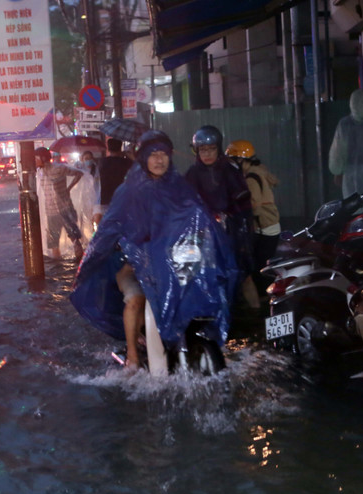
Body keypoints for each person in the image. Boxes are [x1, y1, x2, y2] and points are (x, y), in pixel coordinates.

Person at [70, 130, 238, 371]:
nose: (159, 160)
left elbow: (197, 215)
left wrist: (211, 234)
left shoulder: (180, 187)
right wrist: (98, 257)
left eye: (164, 154)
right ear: (143, 158)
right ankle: (133, 357)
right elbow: (110, 227)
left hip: (171, 262)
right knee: (136, 299)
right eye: (153, 155)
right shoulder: (130, 191)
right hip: (134, 265)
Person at [185, 125, 260, 310]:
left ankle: (256, 315)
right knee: (207, 275)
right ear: (197, 150)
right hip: (204, 234)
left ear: (218, 148)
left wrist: (231, 215)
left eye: (211, 149)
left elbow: (244, 201)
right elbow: (185, 202)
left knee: (242, 274)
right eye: (203, 149)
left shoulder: (230, 170)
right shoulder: (192, 174)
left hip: (232, 232)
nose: (207, 154)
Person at [226, 140, 281, 278]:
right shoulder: (259, 170)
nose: (231, 164)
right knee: (264, 265)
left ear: (240, 159)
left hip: (264, 227)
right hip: (271, 224)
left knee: (259, 268)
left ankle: (265, 295)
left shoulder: (251, 178)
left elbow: (254, 208)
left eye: (232, 160)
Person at [35, 146, 84, 260]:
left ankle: (80, 264)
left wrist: (69, 188)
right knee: (53, 241)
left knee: (74, 238)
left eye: (36, 158)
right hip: (51, 210)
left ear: (43, 158)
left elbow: (79, 173)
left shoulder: (59, 168)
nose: (35, 161)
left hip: (64, 207)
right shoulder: (40, 172)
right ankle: (58, 264)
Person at [95, 137, 133, 230]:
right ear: (120, 148)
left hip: (105, 200)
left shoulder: (102, 162)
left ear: (108, 148)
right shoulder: (127, 163)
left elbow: (96, 182)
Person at [71, 151, 99, 242]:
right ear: (82, 160)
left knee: (92, 218)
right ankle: (82, 238)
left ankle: (93, 238)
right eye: (86, 159)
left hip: (94, 198)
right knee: (81, 218)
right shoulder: (80, 168)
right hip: (82, 198)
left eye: (89, 158)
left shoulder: (96, 169)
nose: (88, 161)